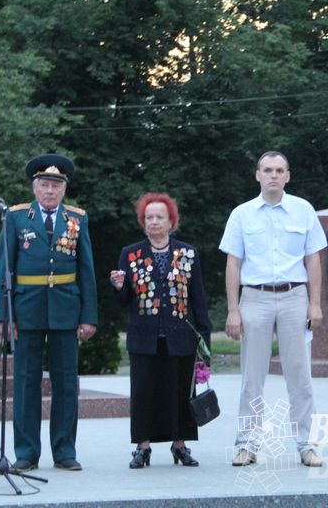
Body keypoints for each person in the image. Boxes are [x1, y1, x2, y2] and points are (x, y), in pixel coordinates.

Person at [220, 151, 327, 468]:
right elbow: (233, 263)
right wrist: (233, 310)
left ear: (288, 176)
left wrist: (315, 303)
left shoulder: (303, 210)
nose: (273, 175)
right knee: (252, 378)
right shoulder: (241, 214)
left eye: (279, 170)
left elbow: (313, 259)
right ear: (257, 175)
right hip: (255, 298)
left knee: (300, 376)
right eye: (267, 170)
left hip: (295, 297)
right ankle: (247, 443)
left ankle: (307, 443)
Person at [0, 153, 97, 472]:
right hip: (26, 309)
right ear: (34, 188)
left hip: (66, 307)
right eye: (44, 185)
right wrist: (4, 316)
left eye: (55, 185)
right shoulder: (15, 217)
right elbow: (4, 270)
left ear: (64, 189)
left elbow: (86, 269)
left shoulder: (77, 219)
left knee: (66, 382)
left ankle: (64, 451)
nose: (50, 191)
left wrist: (89, 315)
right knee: (26, 382)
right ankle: (27, 452)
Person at [110, 192, 211, 468]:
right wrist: (119, 287)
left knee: (180, 391)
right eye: (149, 217)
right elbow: (124, 300)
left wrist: (204, 339)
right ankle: (142, 447)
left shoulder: (188, 253)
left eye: (159, 217)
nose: (154, 221)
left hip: (181, 335)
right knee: (143, 392)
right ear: (143, 222)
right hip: (144, 336)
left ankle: (180, 445)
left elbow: (198, 298)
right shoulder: (130, 253)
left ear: (171, 222)